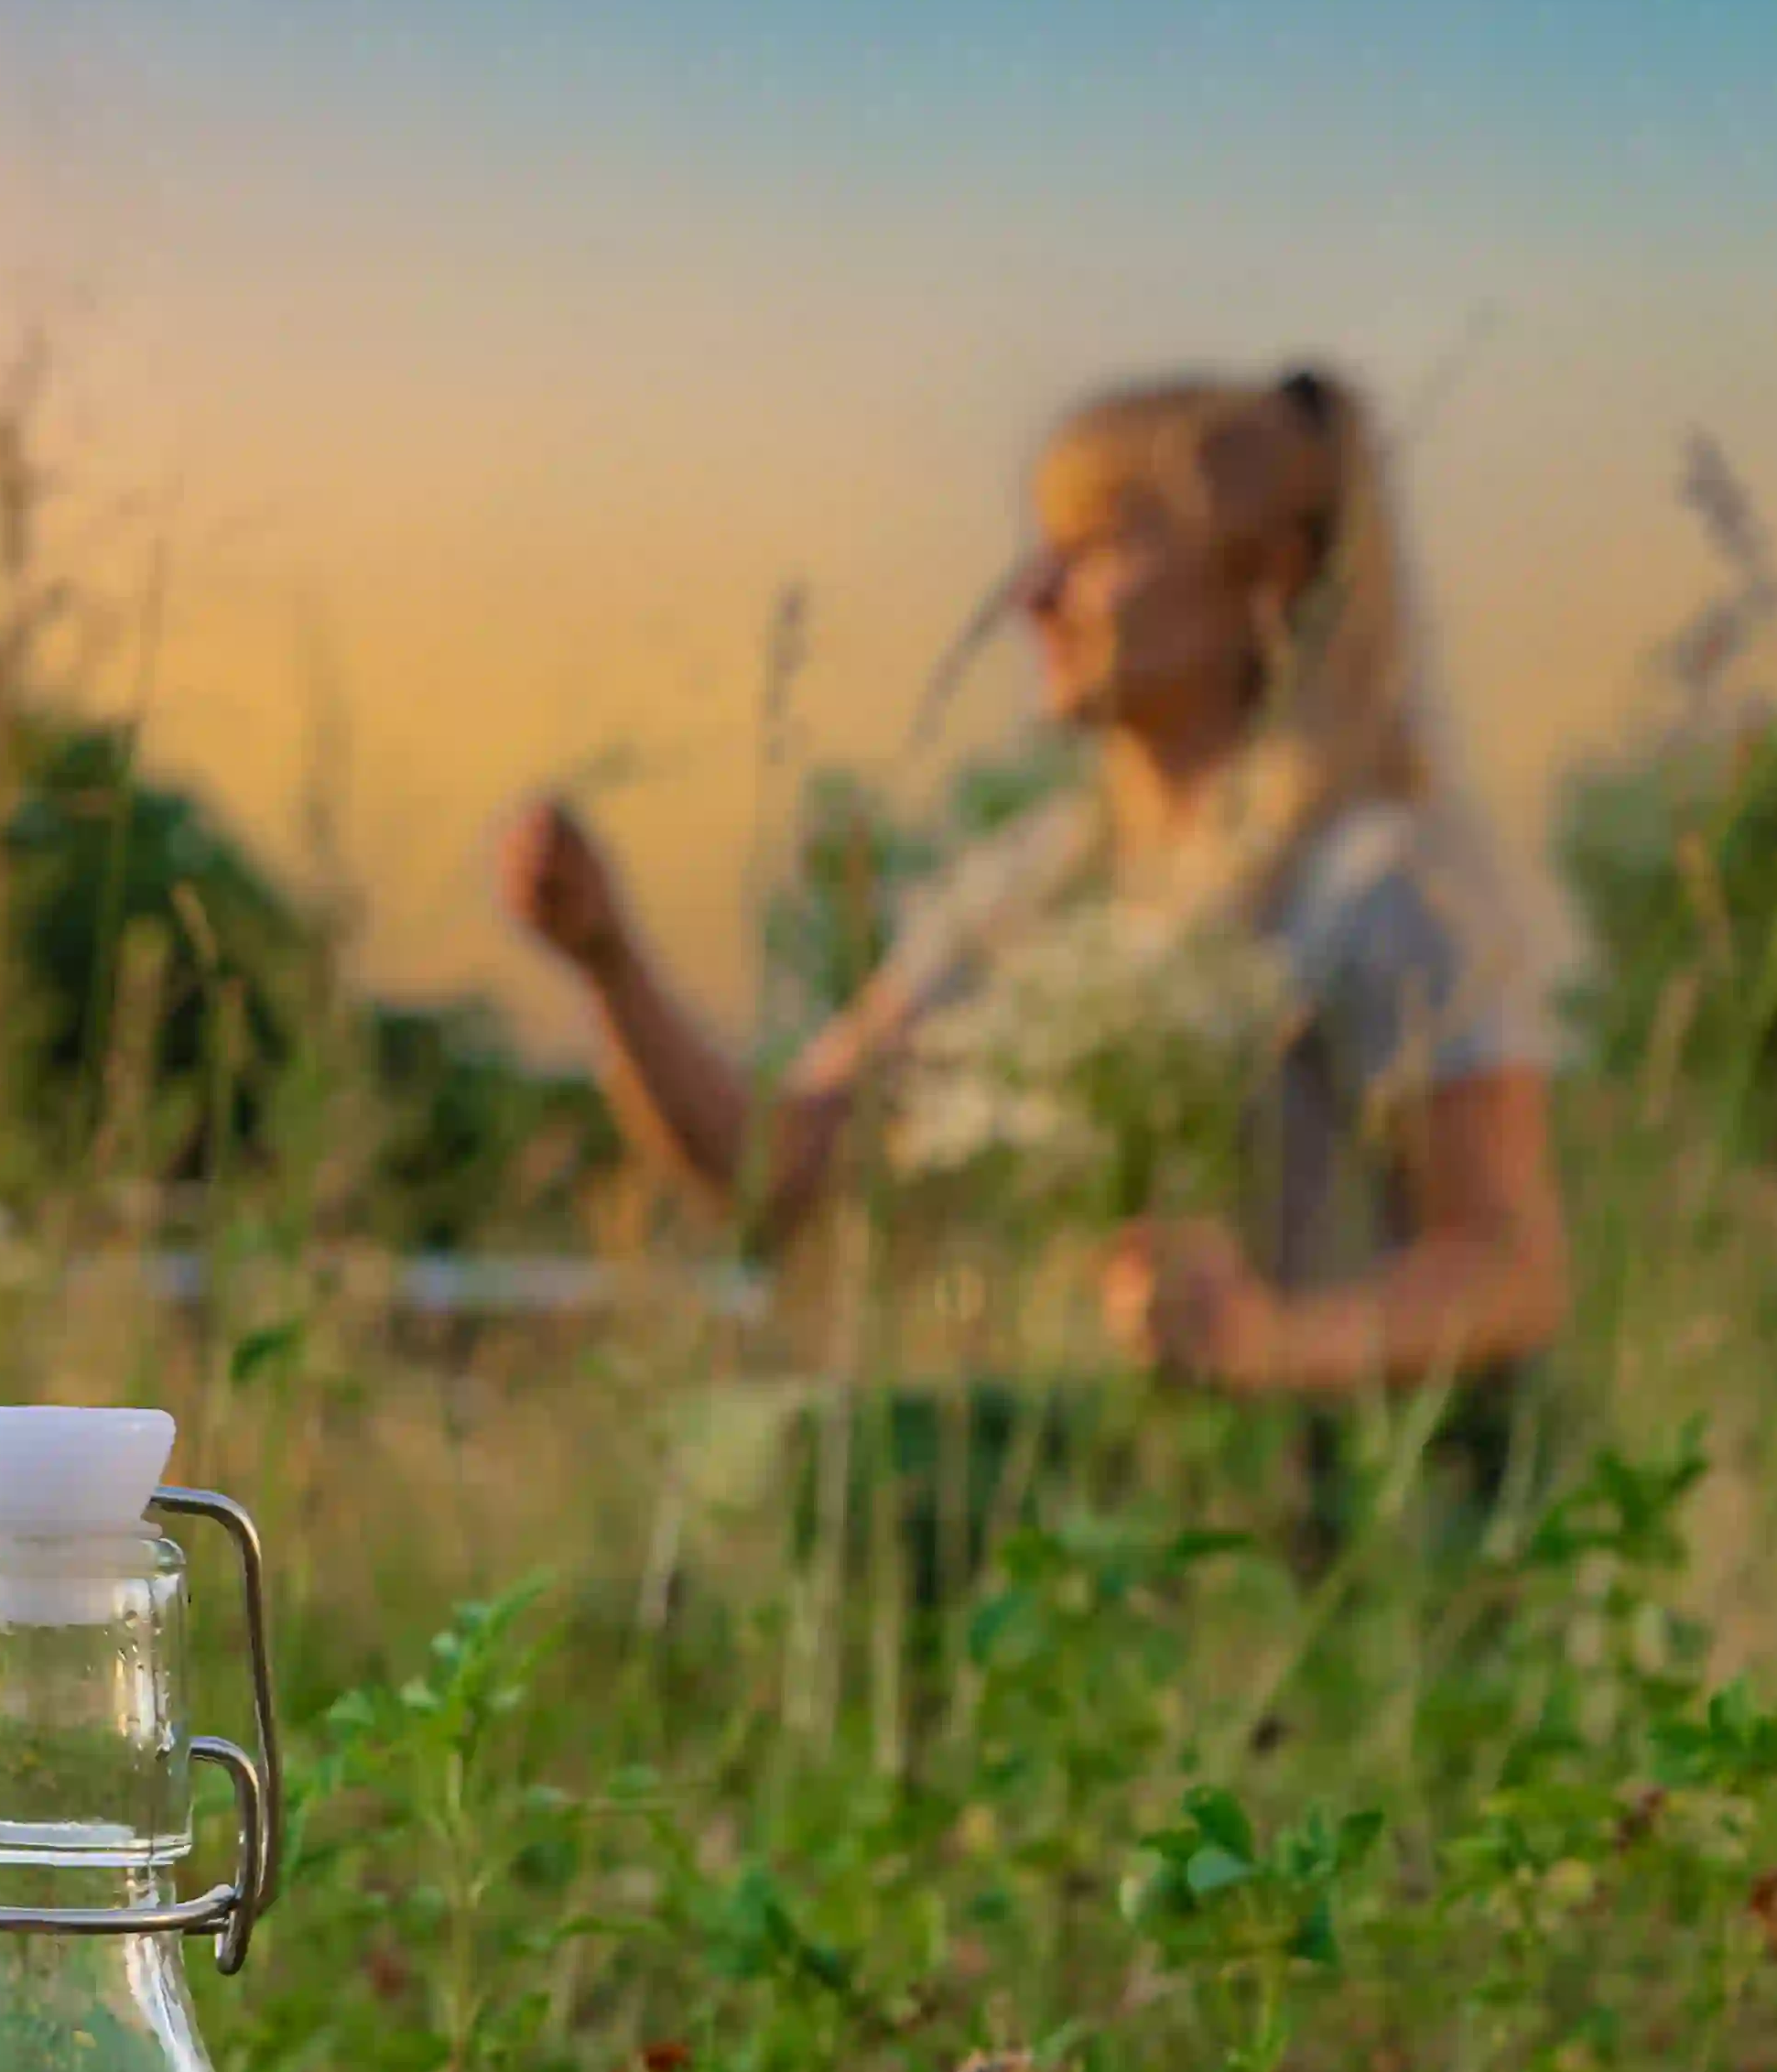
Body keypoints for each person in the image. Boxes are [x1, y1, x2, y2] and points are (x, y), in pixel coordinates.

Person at [499, 364, 1566, 1565]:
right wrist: (607, 963)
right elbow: (776, 1172)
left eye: (1098, 547)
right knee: (752, 1454)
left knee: (827, 1482)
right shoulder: (1037, 885)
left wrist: (1270, 1344)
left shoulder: (1382, 881)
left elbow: (1511, 1267)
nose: (1032, 596)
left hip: (1343, 1528)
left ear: (1268, 575)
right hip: (1107, 1503)